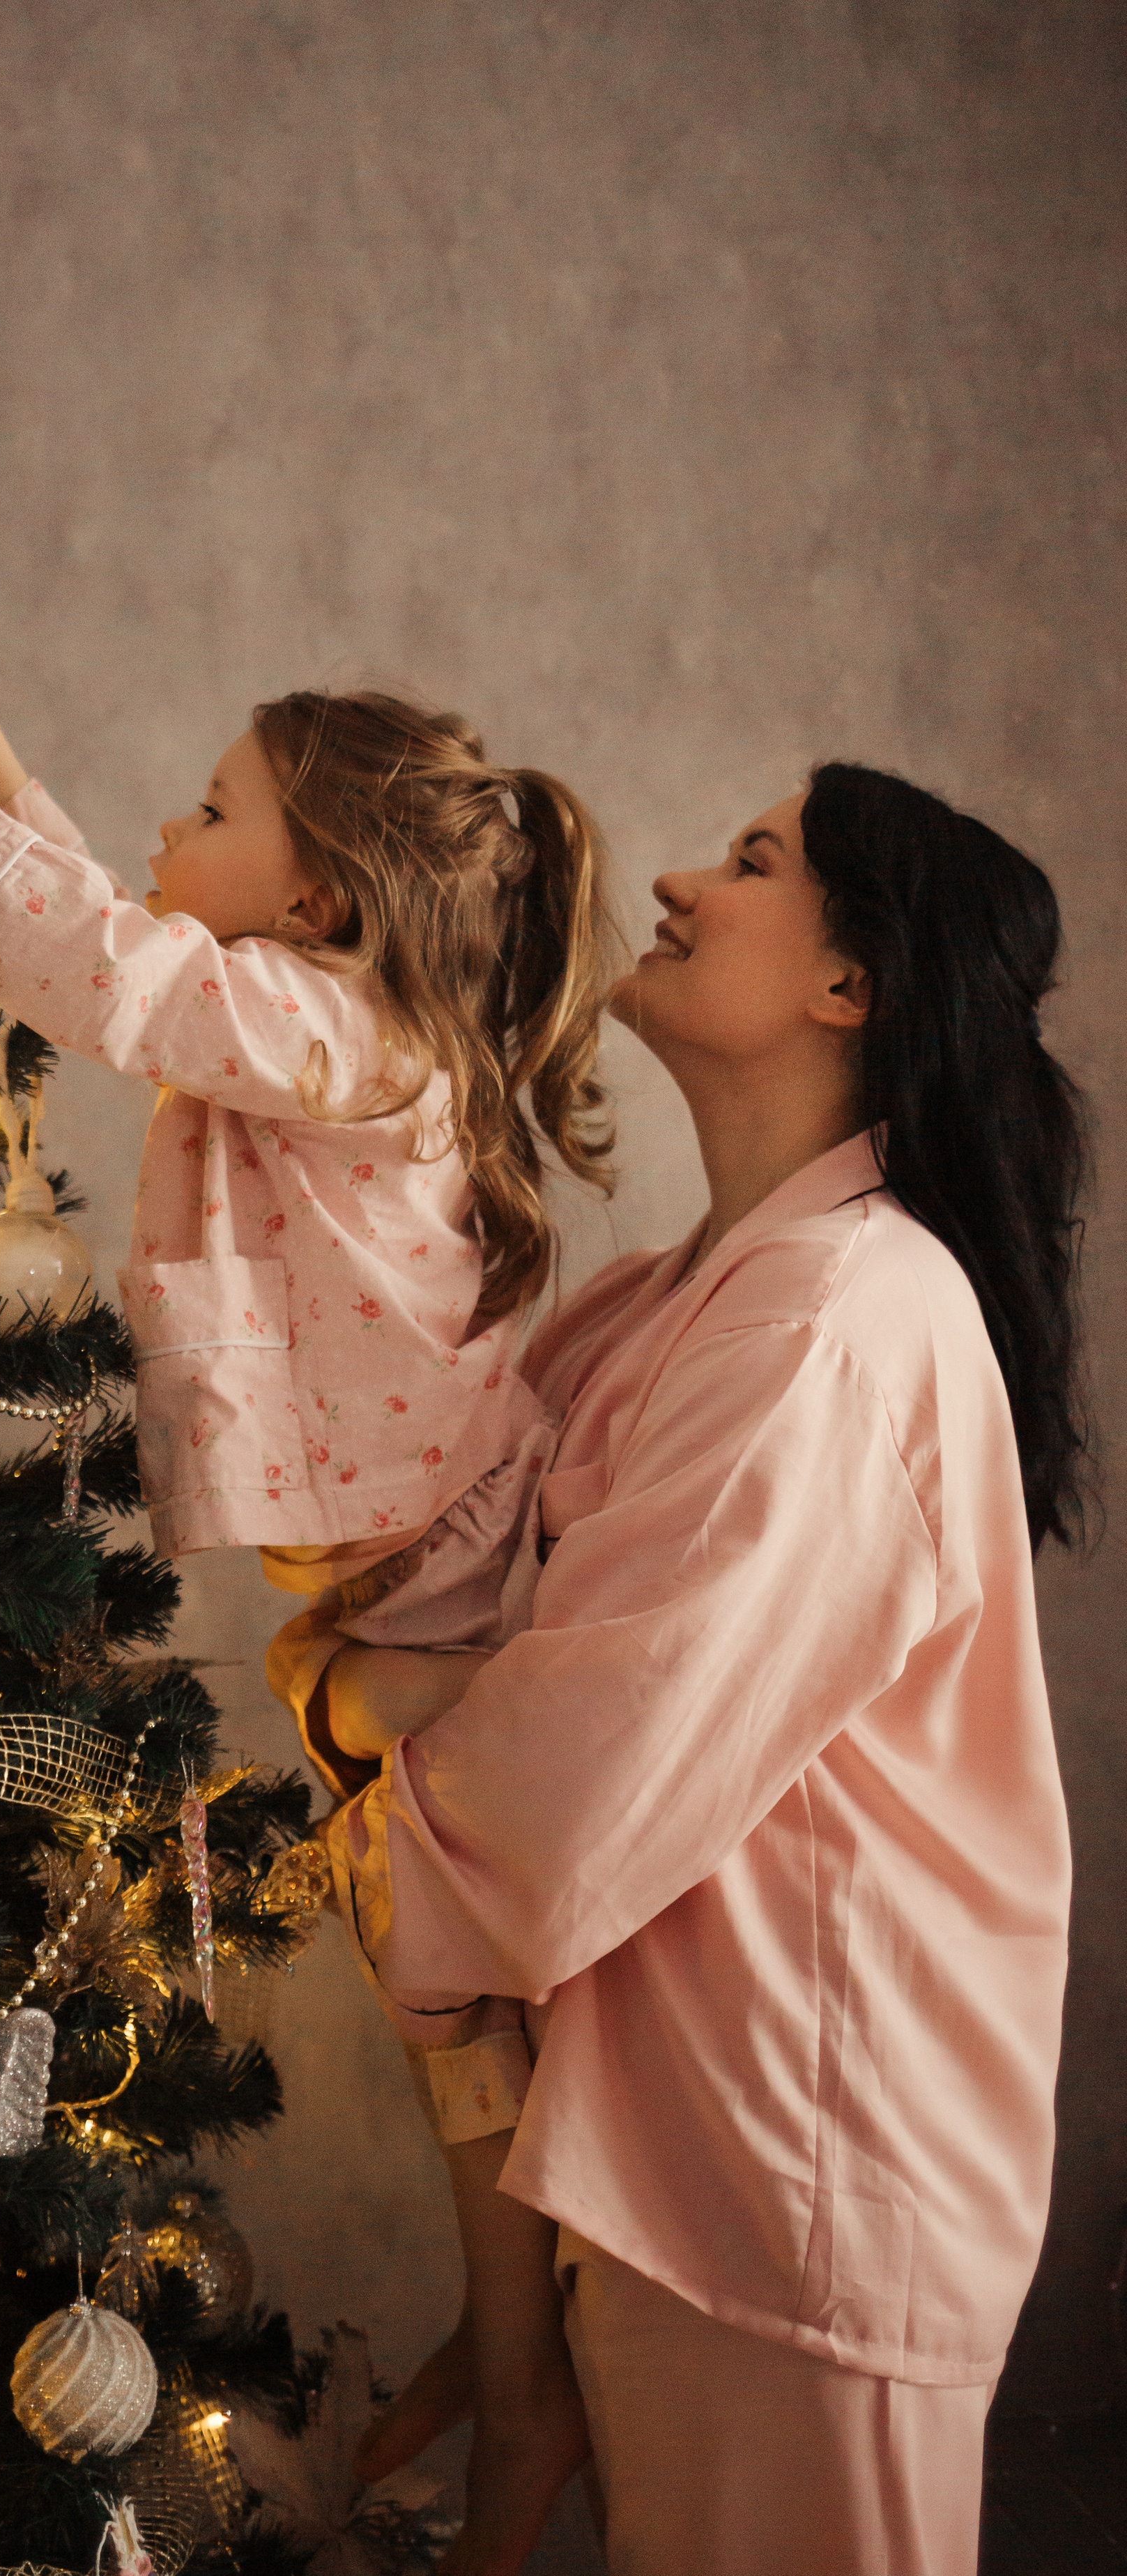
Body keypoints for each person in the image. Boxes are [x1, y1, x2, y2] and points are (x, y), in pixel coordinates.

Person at [0, 585, 619, 2556]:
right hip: (394, 1580)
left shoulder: (337, 1028)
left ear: (317, 903)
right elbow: (94, 928)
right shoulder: (305, 1007)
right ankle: (520, 2342)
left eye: (211, 809)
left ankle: (534, 2367)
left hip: (446, 1573)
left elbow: (105, 973)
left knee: (454, 1978)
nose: (166, 830)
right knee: (440, 1986)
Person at [307, 765, 1084, 2576]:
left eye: (748, 863)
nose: (669, 879)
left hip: (798, 2185)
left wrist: (352, 1736)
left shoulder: (836, 1322)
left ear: (851, 984)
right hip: (678, 2162)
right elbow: (475, 1610)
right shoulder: (666, 1304)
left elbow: (577, 1767)